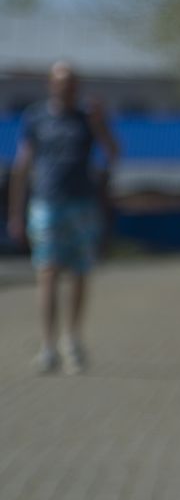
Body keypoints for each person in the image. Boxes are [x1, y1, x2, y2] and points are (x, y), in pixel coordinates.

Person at [7, 62, 119, 374]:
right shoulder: (36, 117)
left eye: (71, 83)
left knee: (80, 273)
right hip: (46, 204)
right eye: (60, 82)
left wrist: (101, 125)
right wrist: (16, 212)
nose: (66, 88)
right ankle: (47, 346)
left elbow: (113, 153)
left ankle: (72, 339)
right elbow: (22, 167)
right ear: (51, 85)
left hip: (82, 205)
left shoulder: (87, 119)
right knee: (47, 272)